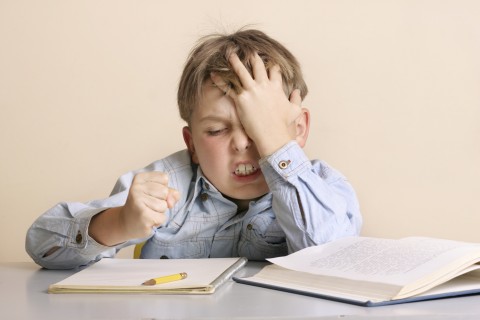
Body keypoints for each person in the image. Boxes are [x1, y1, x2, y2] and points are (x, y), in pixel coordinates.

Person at [26, 28, 362, 269]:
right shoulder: (167, 184)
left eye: (259, 127)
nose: (244, 142)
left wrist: (277, 146)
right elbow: (41, 244)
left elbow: (333, 263)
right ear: (192, 145)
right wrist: (118, 223)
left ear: (298, 129)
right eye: (217, 130)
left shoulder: (326, 189)